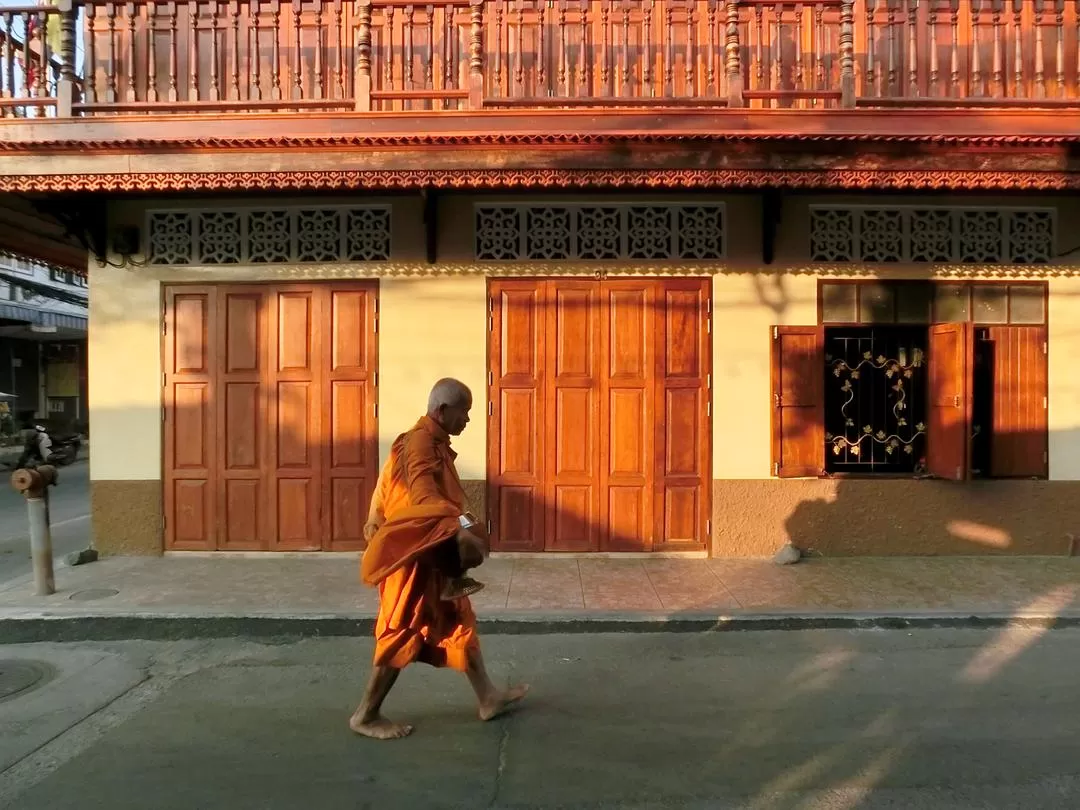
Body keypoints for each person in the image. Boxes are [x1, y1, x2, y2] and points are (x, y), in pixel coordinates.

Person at [353, 378, 528, 740]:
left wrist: (375, 515)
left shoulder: (426, 442)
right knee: (402, 629)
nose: (468, 420)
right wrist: (457, 529)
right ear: (443, 410)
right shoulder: (419, 443)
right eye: (465, 412)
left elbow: (385, 485)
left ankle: (488, 697)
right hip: (416, 554)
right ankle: (366, 714)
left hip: (435, 551)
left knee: (458, 619)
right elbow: (423, 495)